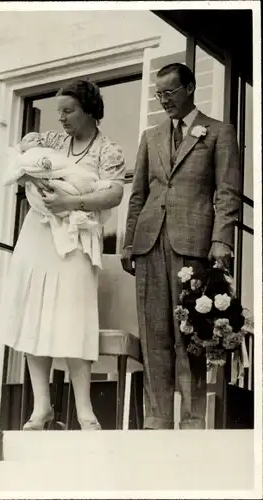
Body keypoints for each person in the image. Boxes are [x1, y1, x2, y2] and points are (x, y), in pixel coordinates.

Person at [121, 63, 240, 430]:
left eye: (169, 93)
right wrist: (128, 243)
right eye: (159, 94)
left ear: (189, 88)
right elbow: (139, 194)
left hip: (195, 244)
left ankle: (191, 420)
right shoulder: (150, 136)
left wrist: (221, 238)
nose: (163, 101)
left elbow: (227, 191)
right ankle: (156, 418)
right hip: (150, 242)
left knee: (192, 335)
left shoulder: (219, 132)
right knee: (154, 333)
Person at [2, 79, 125, 430]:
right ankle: (41, 407)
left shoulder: (109, 151)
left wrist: (72, 201)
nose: (62, 119)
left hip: (77, 238)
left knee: (73, 317)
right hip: (38, 234)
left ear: (90, 110)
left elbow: (114, 194)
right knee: (33, 314)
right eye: (59, 112)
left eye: (69, 111)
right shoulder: (53, 142)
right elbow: (26, 161)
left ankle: (84, 409)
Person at [3, 131, 112, 267]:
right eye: (31, 140)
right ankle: (79, 208)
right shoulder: (35, 150)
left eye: (37, 139)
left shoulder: (48, 147)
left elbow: (63, 165)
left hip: (64, 179)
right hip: (44, 212)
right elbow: (15, 165)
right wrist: (31, 176)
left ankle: (90, 189)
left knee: (75, 180)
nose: (37, 140)